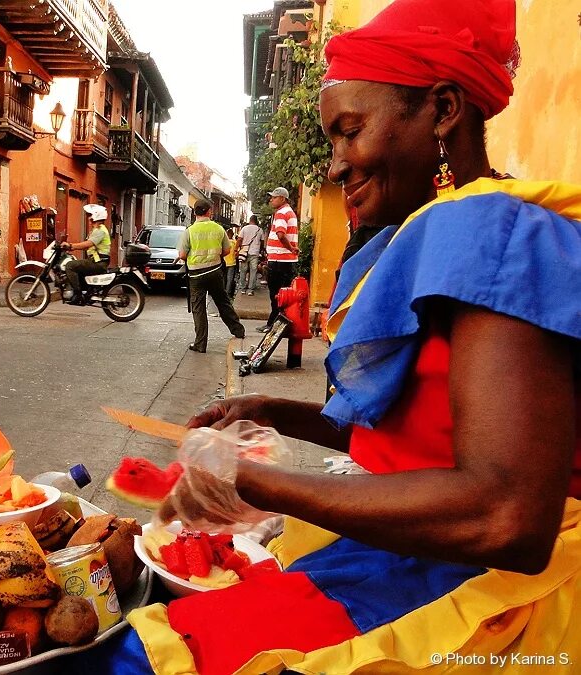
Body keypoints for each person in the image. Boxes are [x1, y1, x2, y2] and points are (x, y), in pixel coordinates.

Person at [79, 1, 581, 672]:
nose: (337, 165)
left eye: (351, 131)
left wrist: (260, 482)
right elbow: (418, 439)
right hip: (409, 552)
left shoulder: (499, 235)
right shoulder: (443, 230)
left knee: (134, 658)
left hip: (480, 589)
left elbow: (507, 515)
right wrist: (276, 413)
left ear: (444, 109)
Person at [178, 199, 245, 352]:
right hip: (215, 272)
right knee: (223, 302)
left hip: (195, 275)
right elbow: (227, 251)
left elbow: (182, 255)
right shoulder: (219, 229)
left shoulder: (189, 231)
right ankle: (238, 330)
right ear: (209, 212)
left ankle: (200, 344)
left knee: (199, 309)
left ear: (195, 212)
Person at [256, 187, 299, 332]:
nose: (271, 200)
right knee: (283, 294)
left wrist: (290, 248)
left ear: (282, 198)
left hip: (279, 260)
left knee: (276, 294)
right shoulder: (289, 212)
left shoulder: (281, 213)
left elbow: (280, 235)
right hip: (286, 261)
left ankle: (273, 324)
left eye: (274, 197)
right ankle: (278, 323)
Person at [62, 204, 112, 305]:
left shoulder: (100, 230)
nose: (89, 218)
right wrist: (70, 249)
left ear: (96, 216)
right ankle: (85, 292)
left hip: (98, 262)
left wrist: (70, 246)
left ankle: (78, 295)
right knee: (77, 265)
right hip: (96, 260)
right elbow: (87, 246)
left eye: (91, 215)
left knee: (70, 265)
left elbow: (88, 244)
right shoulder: (97, 230)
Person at [236, 214, 263, 296]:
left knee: (243, 271)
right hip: (255, 252)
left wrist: (236, 250)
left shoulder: (244, 228)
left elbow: (239, 240)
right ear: (256, 221)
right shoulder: (260, 230)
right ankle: (250, 290)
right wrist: (260, 250)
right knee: (253, 271)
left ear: (250, 220)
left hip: (244, 252)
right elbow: (262, 242)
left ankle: (243, 288)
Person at [223, 224, 240, 300]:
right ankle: (227, 294)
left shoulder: (223, 242)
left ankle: (223, 293)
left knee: (224, 278)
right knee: (230, 279)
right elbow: (237, 253)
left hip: (223, 263)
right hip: (232, 263)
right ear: (232, 235)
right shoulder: (235, 242)